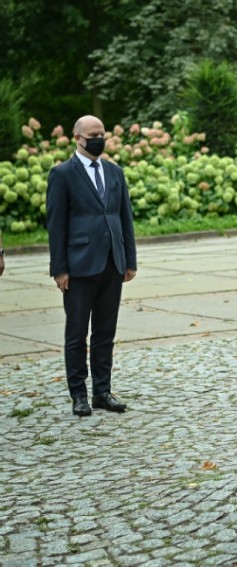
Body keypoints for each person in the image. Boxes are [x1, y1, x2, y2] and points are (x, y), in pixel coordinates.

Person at [46, 115, 137, 417]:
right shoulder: (62, 174)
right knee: (76, 334)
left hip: (113, 263)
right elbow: (56, 225)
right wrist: (59, 269)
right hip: (79, 266)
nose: (98, 138)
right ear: (77, 138)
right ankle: (79, 395)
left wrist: (130, 260)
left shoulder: (114, 172)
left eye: (102, 132)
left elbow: (125, 219)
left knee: (105, 332)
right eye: (92, 134)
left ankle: (102, 391)